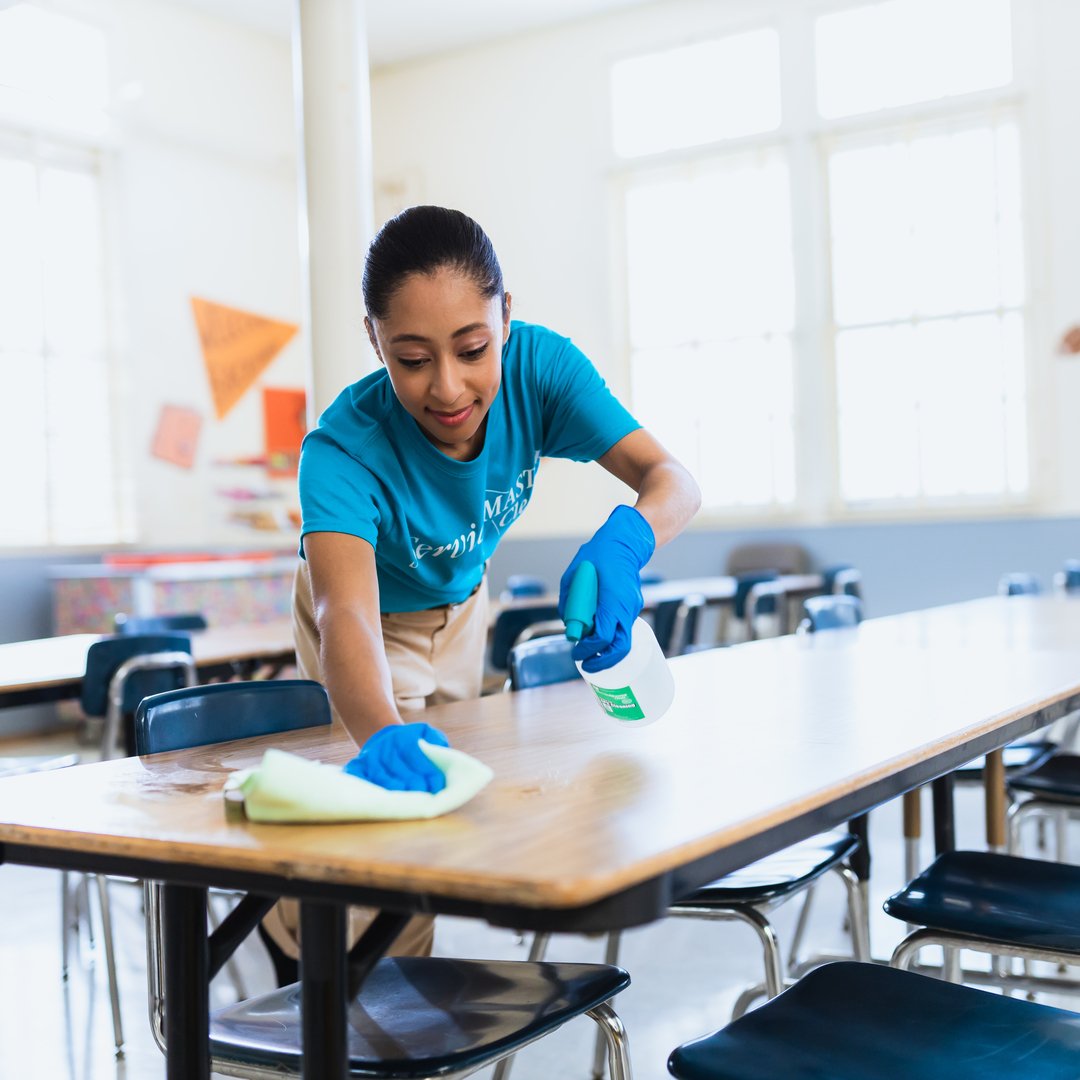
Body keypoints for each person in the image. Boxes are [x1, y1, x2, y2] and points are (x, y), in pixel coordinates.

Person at [259, 204, 700, 981]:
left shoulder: (542, 371)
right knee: (383, 828)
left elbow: (673, 481)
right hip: (368, 628)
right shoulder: (341, 448)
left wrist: (627, 543)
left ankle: (397, 1005)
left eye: (472, 348)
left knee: (438, 820)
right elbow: (345, 615)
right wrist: (378, 729)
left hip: (462, 608)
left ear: (506, 316)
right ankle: (293, 930)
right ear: (374, 342)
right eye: (412, 359)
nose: (449, 388)